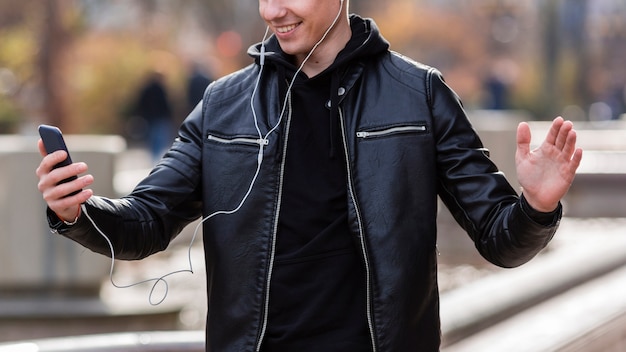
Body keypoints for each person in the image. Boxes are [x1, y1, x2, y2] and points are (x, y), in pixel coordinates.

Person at [35, 0, 583, 351]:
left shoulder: (420, 95)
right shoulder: (223, 104)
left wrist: (535, 206)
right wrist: (77, 212)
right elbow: (145, 224)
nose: (273, 10)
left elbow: (500, 241)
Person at [135, 71, 175, 161]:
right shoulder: (161, 89)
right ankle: (157, 159)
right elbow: (166, 104)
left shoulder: (146, 89)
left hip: (150, 118)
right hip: (160, 118)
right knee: (159, 140)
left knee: (153, 140)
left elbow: (140, 104)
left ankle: (154, 158)